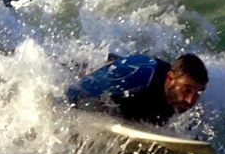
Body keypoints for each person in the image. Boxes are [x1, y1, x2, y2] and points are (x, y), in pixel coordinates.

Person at [65, 52, 208, 125]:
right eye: (187, 89)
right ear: (170, 78)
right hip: (98, 70)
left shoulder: (180, 99)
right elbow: (78, 90)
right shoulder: (141, 75)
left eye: (198, 93)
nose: (191, 100)